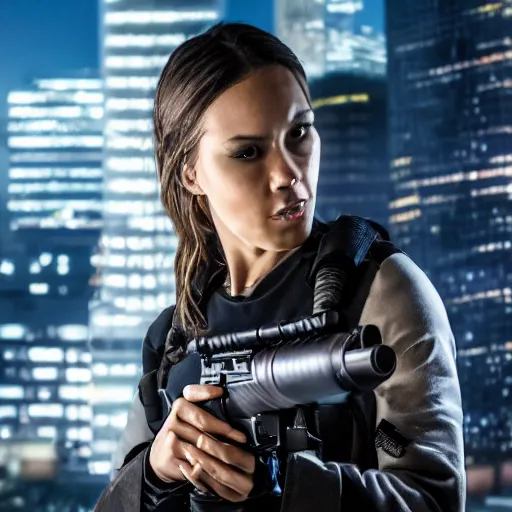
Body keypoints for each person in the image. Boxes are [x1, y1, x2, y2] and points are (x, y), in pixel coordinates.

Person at [94, 22, 466, 512]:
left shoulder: (382, 291)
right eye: (248, 152)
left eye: (300, 133)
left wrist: (280, 487)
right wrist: (156, 472)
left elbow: (434, 499)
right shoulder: (174, 338)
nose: (288, 173)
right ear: (191, 172)